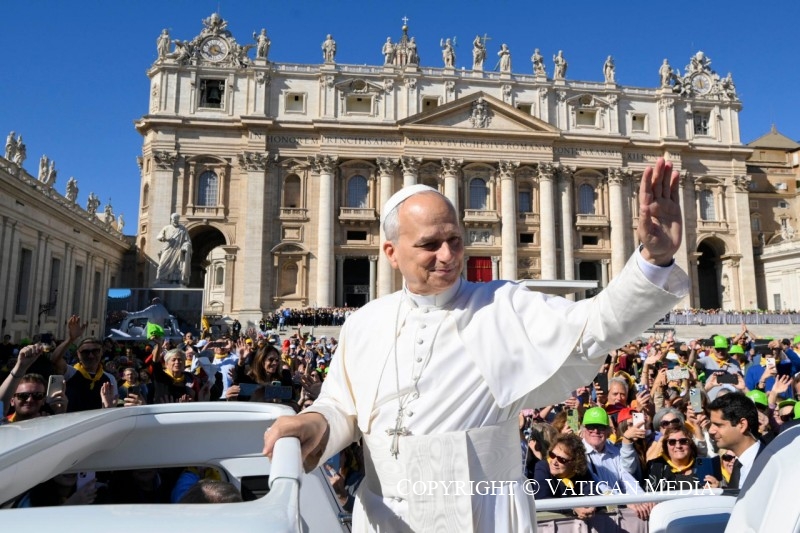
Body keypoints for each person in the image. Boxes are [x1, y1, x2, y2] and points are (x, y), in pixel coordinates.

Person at [263, 158, 687, 531]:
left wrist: (654, 261)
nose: (447, 255)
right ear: (392, 253)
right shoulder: (365, 322)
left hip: (485, 514)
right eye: (429, 244)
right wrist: (316, 423)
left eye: (455, 240)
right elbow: (343, 407)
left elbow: (596, 324)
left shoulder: (503, 304)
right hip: (383, 518)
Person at [532, 433, 596, 518]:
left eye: (561, 459)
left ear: (574, 463)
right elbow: (542, 498)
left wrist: (592, 506)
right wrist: (572, 507)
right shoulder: (542, 467)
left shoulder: (580, 472)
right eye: (552, 455)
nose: (554, 462)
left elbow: (593, 493)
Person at [707, 392, 761, 490]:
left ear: (742, 425)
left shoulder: (767, 463)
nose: (711, 430)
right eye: (711, 424)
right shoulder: (738, 465)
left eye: (718, 425)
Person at [645, 423, 721, 489]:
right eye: (672, 442)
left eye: (683, 441)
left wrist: (717, 489)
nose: (678, 446)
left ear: (690, 444)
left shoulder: (704, 466)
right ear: (666, 445)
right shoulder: (655, 467)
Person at [156, 213, 192, 285]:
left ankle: (174, 280)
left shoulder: (182, 229)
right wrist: (163, 238)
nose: (175, 220)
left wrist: (186, 245)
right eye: (173, 219)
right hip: (168, 248)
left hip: (178, 250)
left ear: (178, 219)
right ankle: (160, 279)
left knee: (176, 266)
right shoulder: (166, 228)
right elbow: (159, 236)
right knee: (162, 264)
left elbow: (187, 240)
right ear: (171, 219)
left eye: (176, 219)